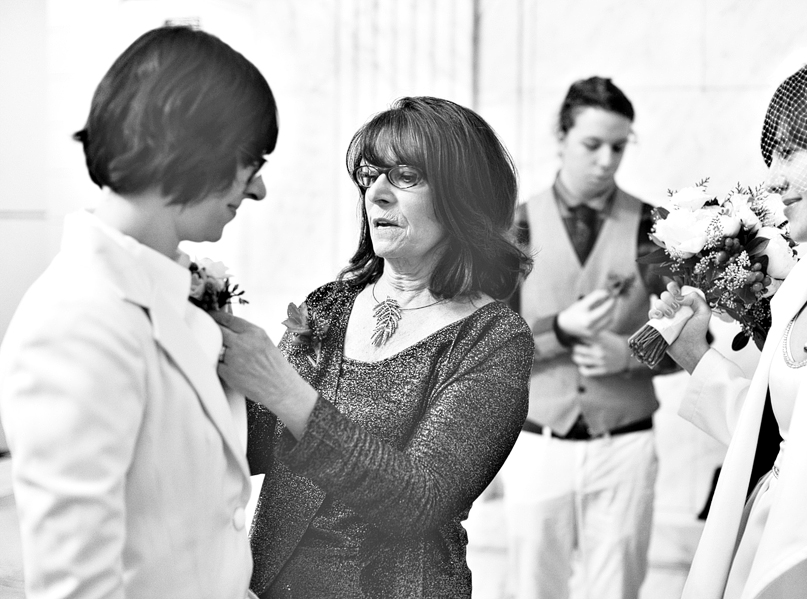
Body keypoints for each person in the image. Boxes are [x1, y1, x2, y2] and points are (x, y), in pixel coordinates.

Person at [211, 96, 534, 598]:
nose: (376, 194)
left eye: (405, 175)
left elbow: (419, 499)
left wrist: (283, 389)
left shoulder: (493, 339)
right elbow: (255, 444)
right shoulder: (330, 306)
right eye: (368, 175)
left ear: (463, 195)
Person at [0, 26, 276, 599]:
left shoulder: (175, 293)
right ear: (196, 146)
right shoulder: (77, 322)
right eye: (252, 160)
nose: (259, 189)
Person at [652, 52, 807, 598]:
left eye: (789, 152)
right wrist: (697, 355)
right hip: (763, 542)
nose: (773, 179)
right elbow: (789, 438)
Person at [503, 76, 673, 599]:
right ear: (560, 138)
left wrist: (629, 352)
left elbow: (692, 336)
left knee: (618, 588)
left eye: (618, 147)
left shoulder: (655, 226)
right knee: (534, 588)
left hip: (625, 442)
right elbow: (487, 346)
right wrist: (559, 329)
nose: (606, 161)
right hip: (536, 441)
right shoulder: (514, 226)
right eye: (592, 145)